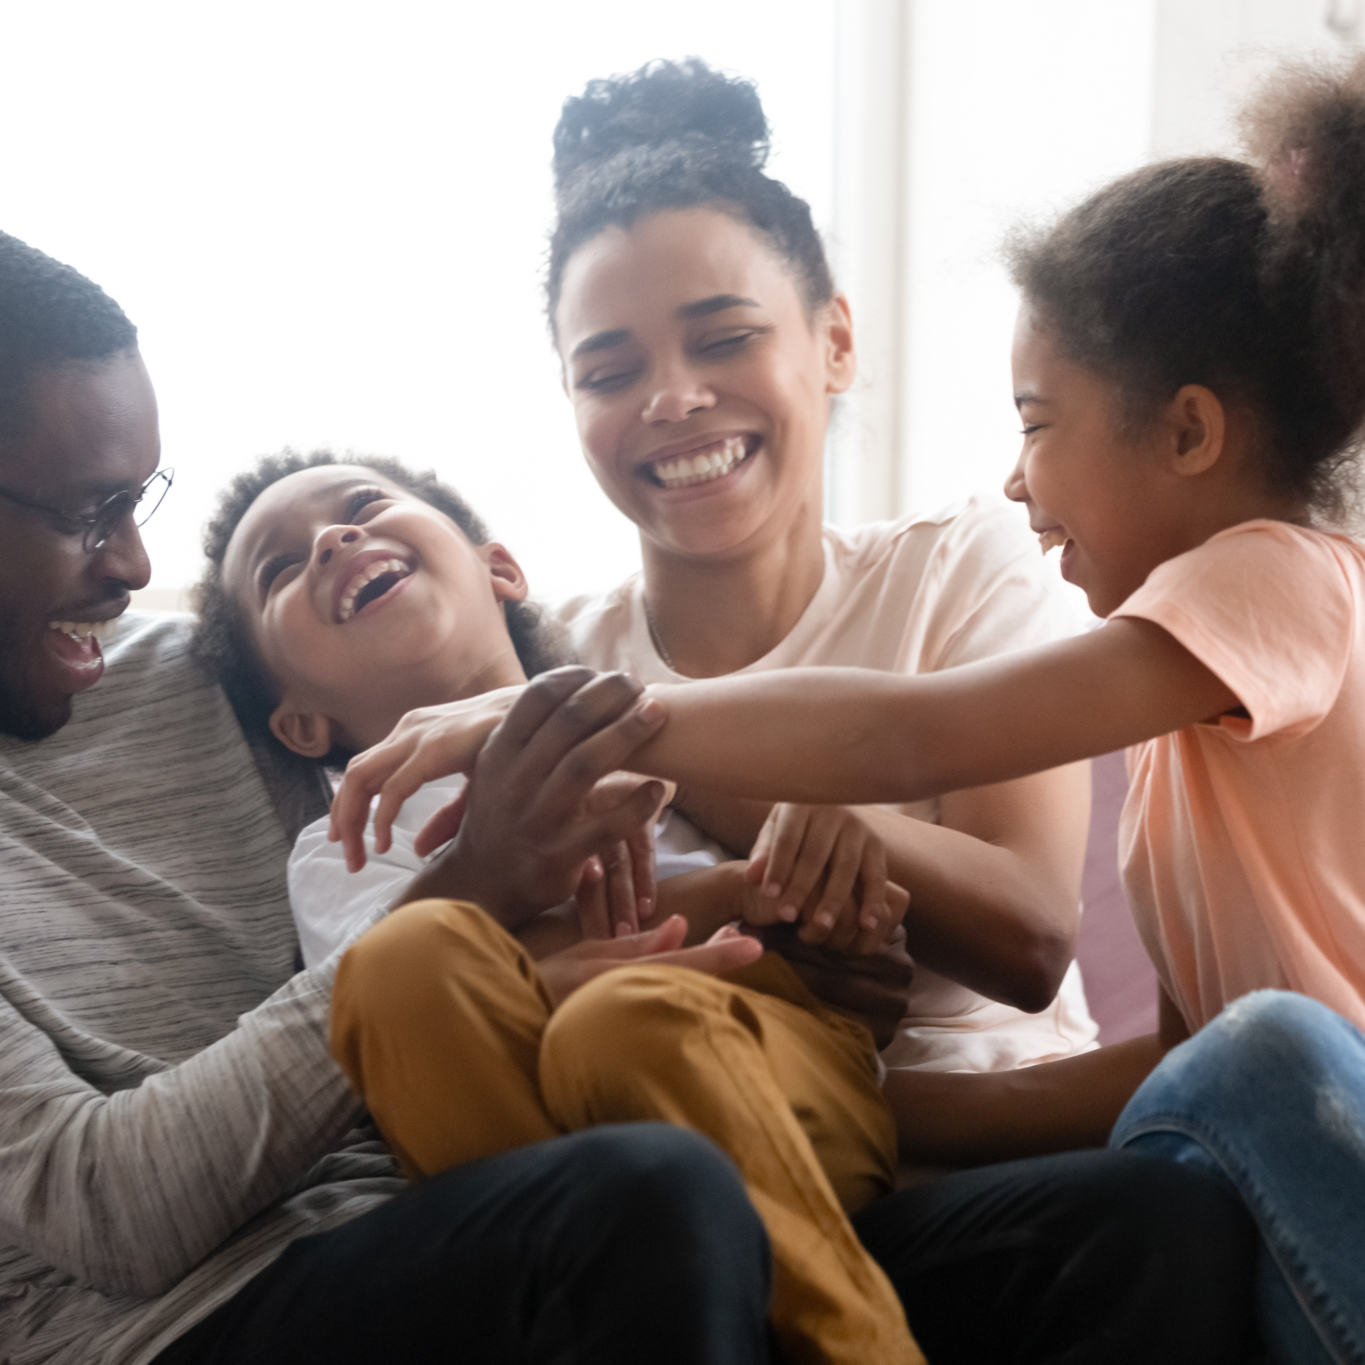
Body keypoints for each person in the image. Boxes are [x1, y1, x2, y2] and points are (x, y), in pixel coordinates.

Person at [542, 52, 1365, 1365]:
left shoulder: (1285, 579)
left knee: (1265, 1056)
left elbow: (908, 733)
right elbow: (1157, 1075)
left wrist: (579, 718)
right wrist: (850, 1100)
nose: (1017, 479)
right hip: (1270, 1211)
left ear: (1191, 433)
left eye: (1038, 423)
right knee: (1211, 1102)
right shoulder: (1182, 733)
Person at [0, 229, 777, 1365]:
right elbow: (107, 1213)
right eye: (86, 513)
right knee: (643, 1203)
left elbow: (507, 686)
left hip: (451, 1216)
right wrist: (475, 887)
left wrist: (801, 884)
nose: (127, 565)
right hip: (186, 1326)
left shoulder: (197, 672)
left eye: (136, 503)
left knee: (1106, 1230)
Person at [193, 447, 923, 1365]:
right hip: (549, 1133)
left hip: (766, 1073)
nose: (335, 539)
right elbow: (416, 1024)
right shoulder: (344, 847)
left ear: (499, 569)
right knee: (401, 963)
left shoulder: (655, 727)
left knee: (625, 1019)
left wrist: (812, 868)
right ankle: (597, 1286)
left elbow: (798, 896)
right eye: (280, 569)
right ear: (300, 723)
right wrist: (707, 905)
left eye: (365, 505)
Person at [547, 58, 1099, 1074]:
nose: (673, 398)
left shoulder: (959, 564)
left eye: (725, 339)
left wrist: (847, 830)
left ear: (835, 342)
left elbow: (1030, 938)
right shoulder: (552, 656)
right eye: (611, 372)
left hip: (1011, 1160)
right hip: (709, 1149)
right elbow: (528, 969)